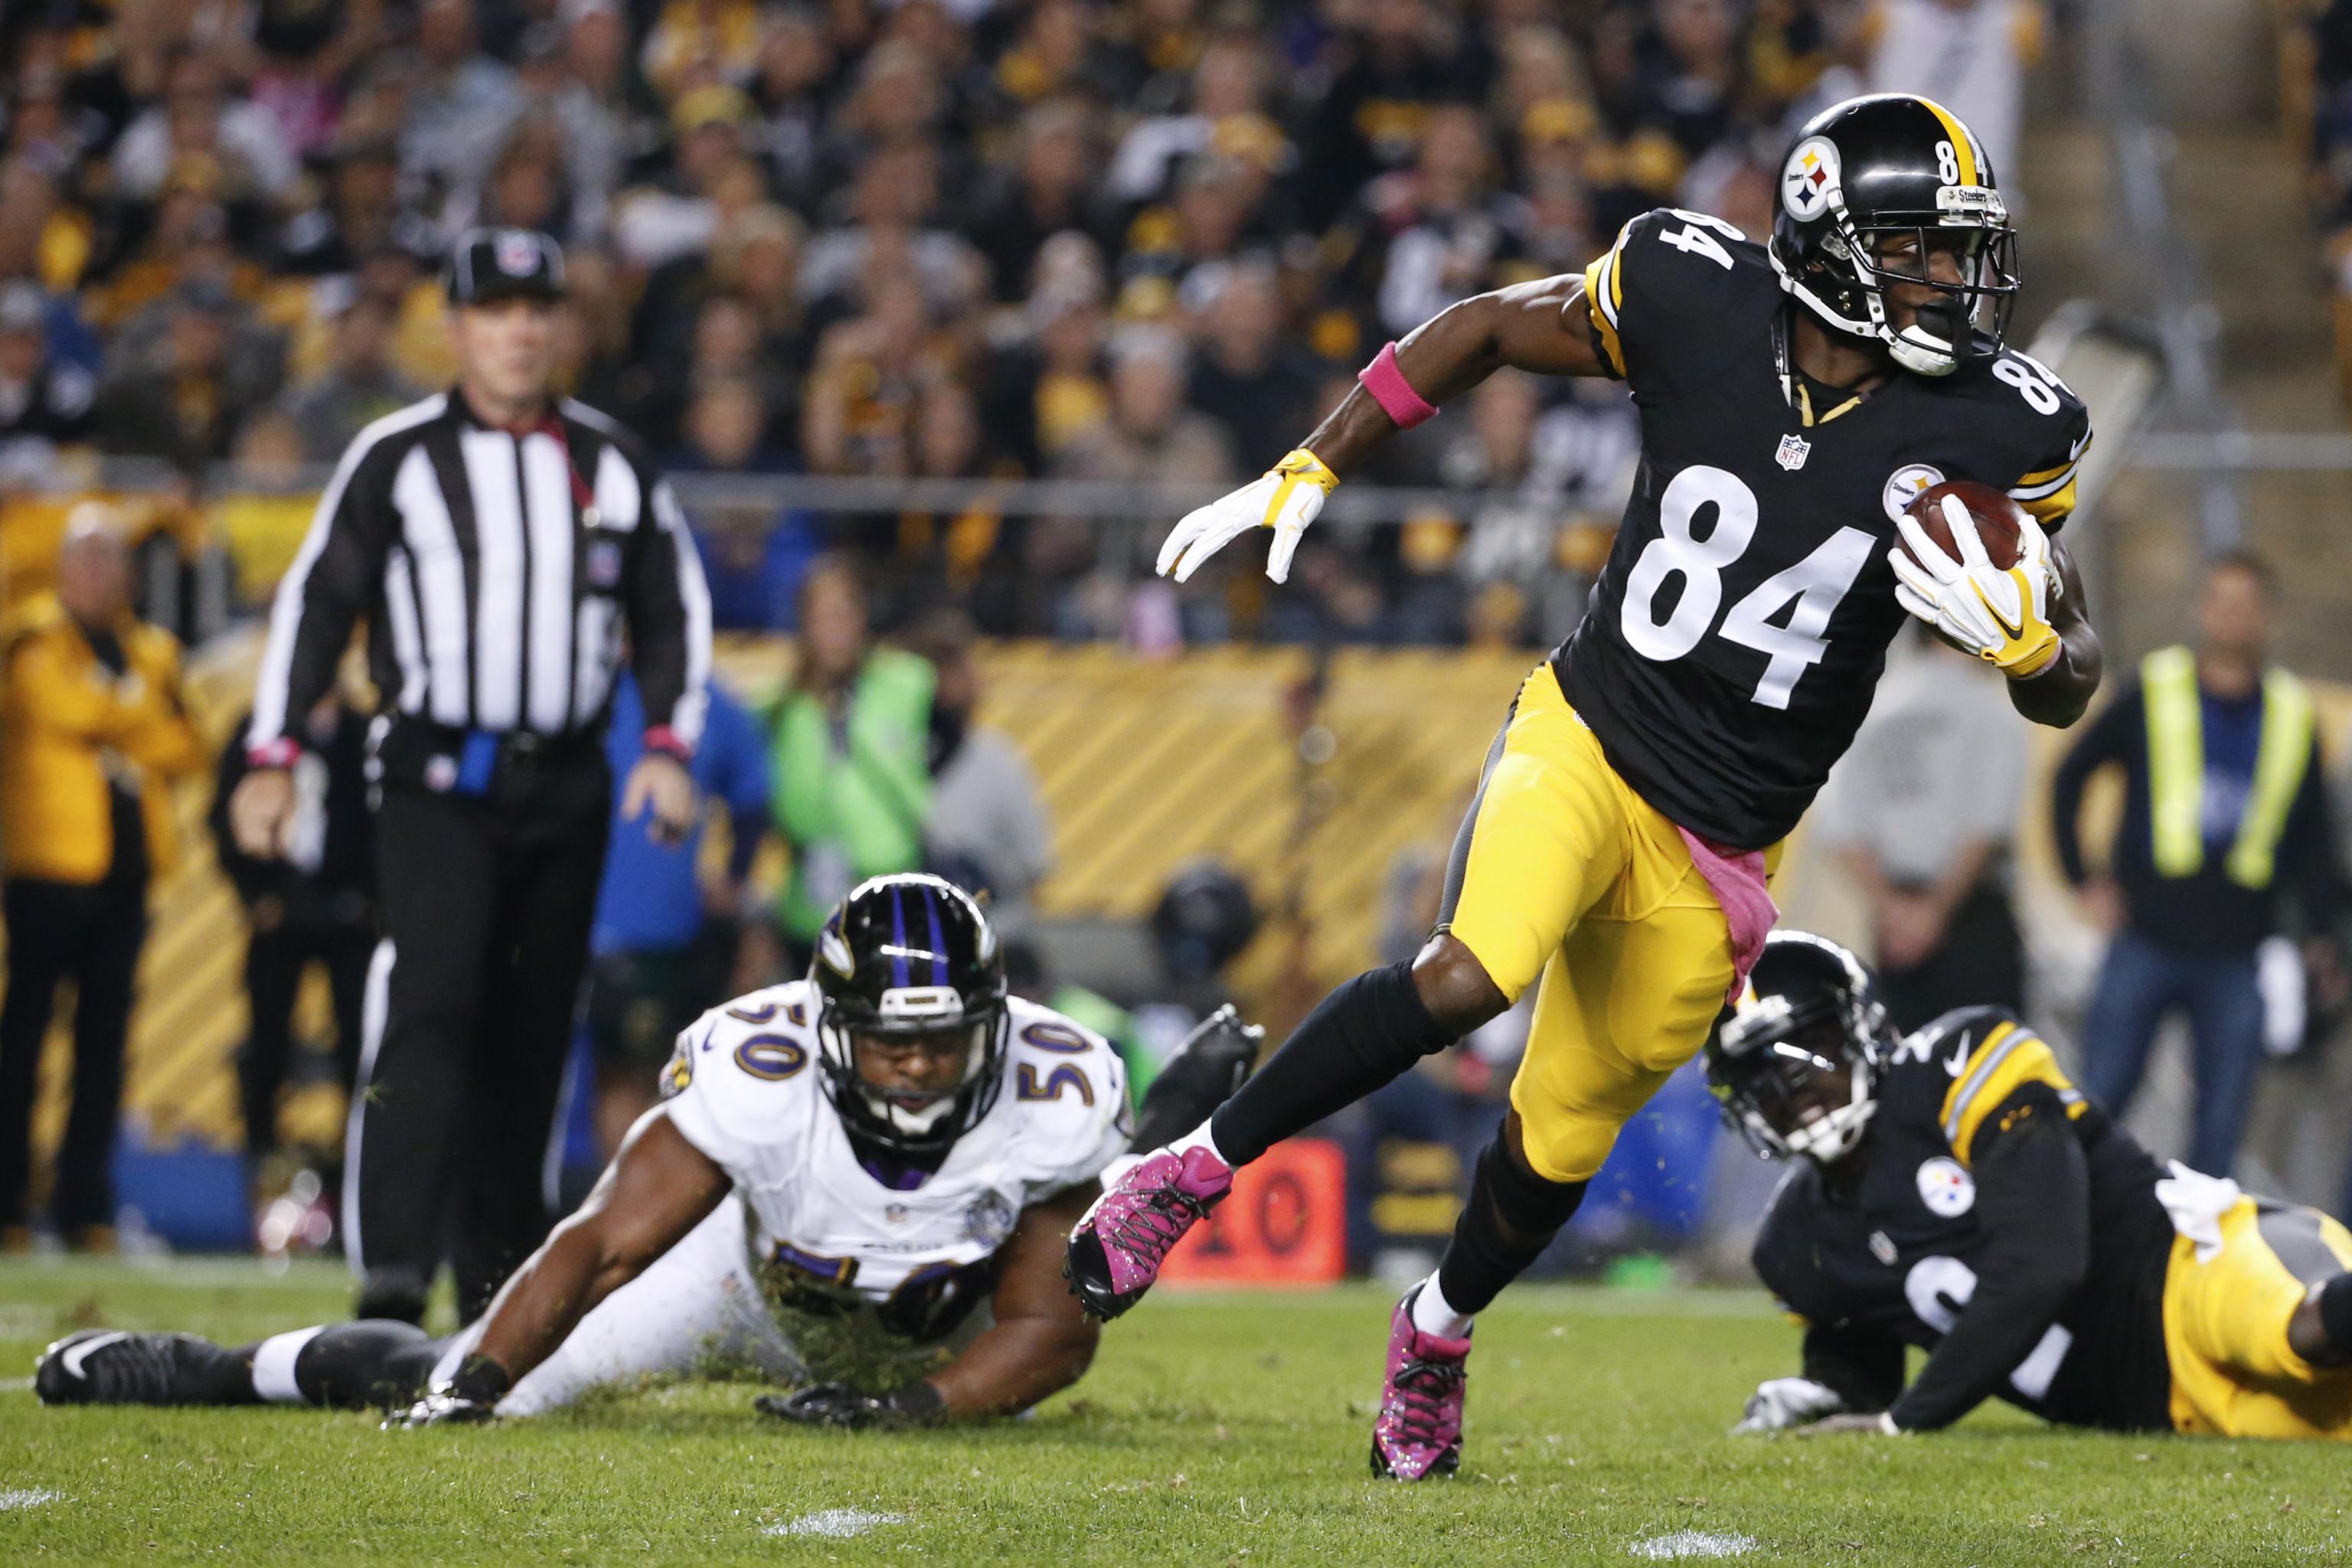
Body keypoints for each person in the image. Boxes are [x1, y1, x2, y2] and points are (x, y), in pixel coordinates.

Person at [1067, 94, 2105, 1481]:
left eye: (1953, 250)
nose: (1947, 279)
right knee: (1467, 974)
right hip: (1593, 730)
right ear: (1828, 240)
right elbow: (1494, 321)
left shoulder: (1999, 424)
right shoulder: (1693, 290)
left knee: (1559, 1129)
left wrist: (2038, 650)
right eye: (1916, 247)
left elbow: (2070, 666)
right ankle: (1185, 1169)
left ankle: (1433, 1336)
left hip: (1727, 838)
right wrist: (1317, 458)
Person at [34, 876, 1257, 1427]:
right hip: (743, 1282)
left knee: (1098, 1253)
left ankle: (1151, 1157)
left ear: (997, 1029)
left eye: (945, 1044)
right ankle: (213, 1369)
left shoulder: (1055, 1087)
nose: (922, 1069)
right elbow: (603, 1245)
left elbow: (1052, 1330)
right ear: (829, 1035)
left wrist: (906, 1413)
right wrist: (477, 1382)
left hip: (934, 1321)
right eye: (891, 1044)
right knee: (463, 1376)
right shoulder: (757, 1072)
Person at [229, 227, 713, 1326]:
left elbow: (670, 607)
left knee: (534, 1026)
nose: (520, 330)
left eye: (539, 309)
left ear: (565, 328)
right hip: (434, 776)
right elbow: (317, 602)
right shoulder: (396, 457)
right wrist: (274, 755)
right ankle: (393, 1273)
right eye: (496, 311)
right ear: (455, 330)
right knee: (431, 1003)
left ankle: (499, 1281)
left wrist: (669, 749)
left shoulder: (612, 461)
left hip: (568, 780)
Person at [1712, 930, 2352, 1441]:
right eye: (1764, 1080)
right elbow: (1864, 1360)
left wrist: (1906, 1420)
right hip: (2178, 1412)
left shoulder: (1955, 1068)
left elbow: (2042, 1264)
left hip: (2197, 1266)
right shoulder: (1797, 1243)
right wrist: (1827, 1393)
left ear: (1863, 1030)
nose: (1796, 1091)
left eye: (1811, 1053)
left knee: (2288, 1330)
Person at [2052, 553, 2345, 1178]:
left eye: (2247, 606)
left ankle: (2194, 1264)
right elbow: (2070, 777)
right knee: (2099, 1101)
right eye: (2222, 603)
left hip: (2238, 952)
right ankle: (2073, 1236)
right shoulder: (2153, 690)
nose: (2234, 619)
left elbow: (2312, 841)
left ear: (2266, 616)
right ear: (2201, 610)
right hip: (2146, 937)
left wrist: (2318, 937)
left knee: (2220, 1131)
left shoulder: (2295, 713)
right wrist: (2084, 878)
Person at [0, 506, 207, 1250]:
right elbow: (57, 704)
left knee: (103, 1047)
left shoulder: (151, 648)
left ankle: (85, 1207)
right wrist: (131, 717)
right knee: (20, 1043)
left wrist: (118, 718)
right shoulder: (30, 633)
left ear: (126, 571)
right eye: (84, 557)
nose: (96, 572)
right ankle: (8, 1206)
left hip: (126, 873)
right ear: (61, 565)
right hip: (48, 869)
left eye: (108, 558)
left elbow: (189, 745)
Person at [584, 667, 770, 1158]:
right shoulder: (578, 685)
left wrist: (733, 876)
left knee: (645, 1079)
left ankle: (631, 1216)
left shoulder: (707, 701)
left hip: (654, 929)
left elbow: (754, 798)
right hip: (583, 919)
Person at [1813, 628, 2030, 1030]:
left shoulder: (1869, 705)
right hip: (1972, 917)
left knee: (1909, 1065)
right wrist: (1934, 913)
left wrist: (1892, 910)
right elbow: (1985, 828)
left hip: (1893, 925)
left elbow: (1838, 826)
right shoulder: (1989, 708)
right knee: (1990, 1069)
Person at [211, 686, 375, 1182]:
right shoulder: (256, 729)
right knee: (266, 1045)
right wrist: (257, 894)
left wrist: (371, 901)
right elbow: (223, 815)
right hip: (280, 914)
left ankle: (363, 1174)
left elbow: (386, 820)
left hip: (351, 920)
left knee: (363, 1050)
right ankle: (261, 1170)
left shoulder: (361, 732)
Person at [762, 556, 933, 972]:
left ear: (863, 619)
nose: (833, 632)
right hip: (812, 901)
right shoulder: (782, 706)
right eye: (820, 618)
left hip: (893, 895)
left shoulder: (908, 684)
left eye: (842, 615)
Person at [903, 610, 1054, 944]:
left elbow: (1035, 864)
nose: (938, 682)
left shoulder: (995, 758)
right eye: (928, 666)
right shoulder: (888, 757)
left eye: (949, 667)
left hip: (987, 943)